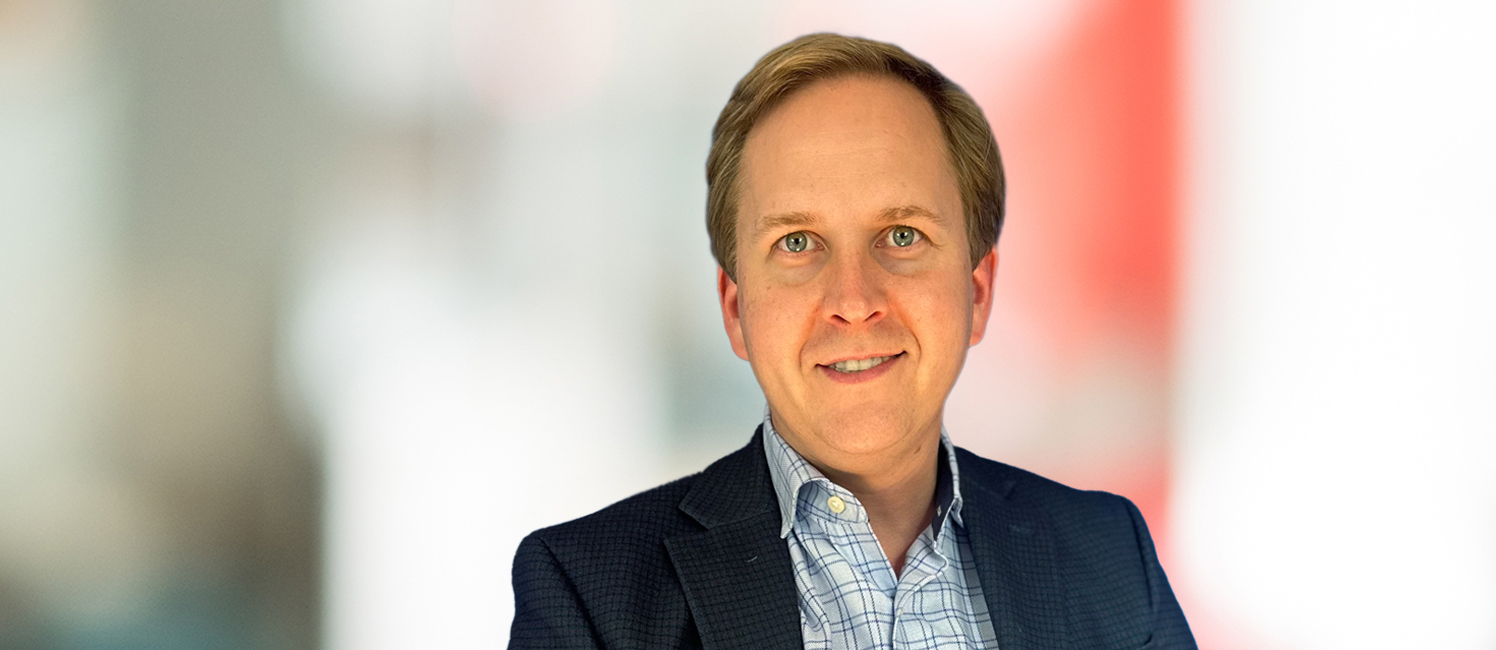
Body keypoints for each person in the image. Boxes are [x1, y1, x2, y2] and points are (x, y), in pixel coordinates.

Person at [507, 33, 1195, 650]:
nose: (854, 300)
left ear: (977, 292)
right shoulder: (589, 597)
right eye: (797, 243)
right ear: (737, 309)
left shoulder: (1111, 555)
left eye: (902, 235)